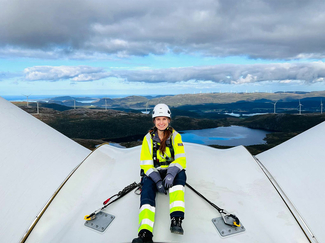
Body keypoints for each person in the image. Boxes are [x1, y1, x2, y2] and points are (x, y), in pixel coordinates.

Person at [132, 103, 187, 243]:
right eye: (158, 119)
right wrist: (157, 180)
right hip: (154, 172)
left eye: (164, 119)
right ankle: (145, 233)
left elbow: (181, 159)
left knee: (180, 179)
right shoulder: (148, 138)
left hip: (170, 171)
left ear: (169, 120)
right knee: (147, 193)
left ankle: (176, 219)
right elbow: (145, 163)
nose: (161, 122)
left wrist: (171, 174)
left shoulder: (175, 136)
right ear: (154, 121)